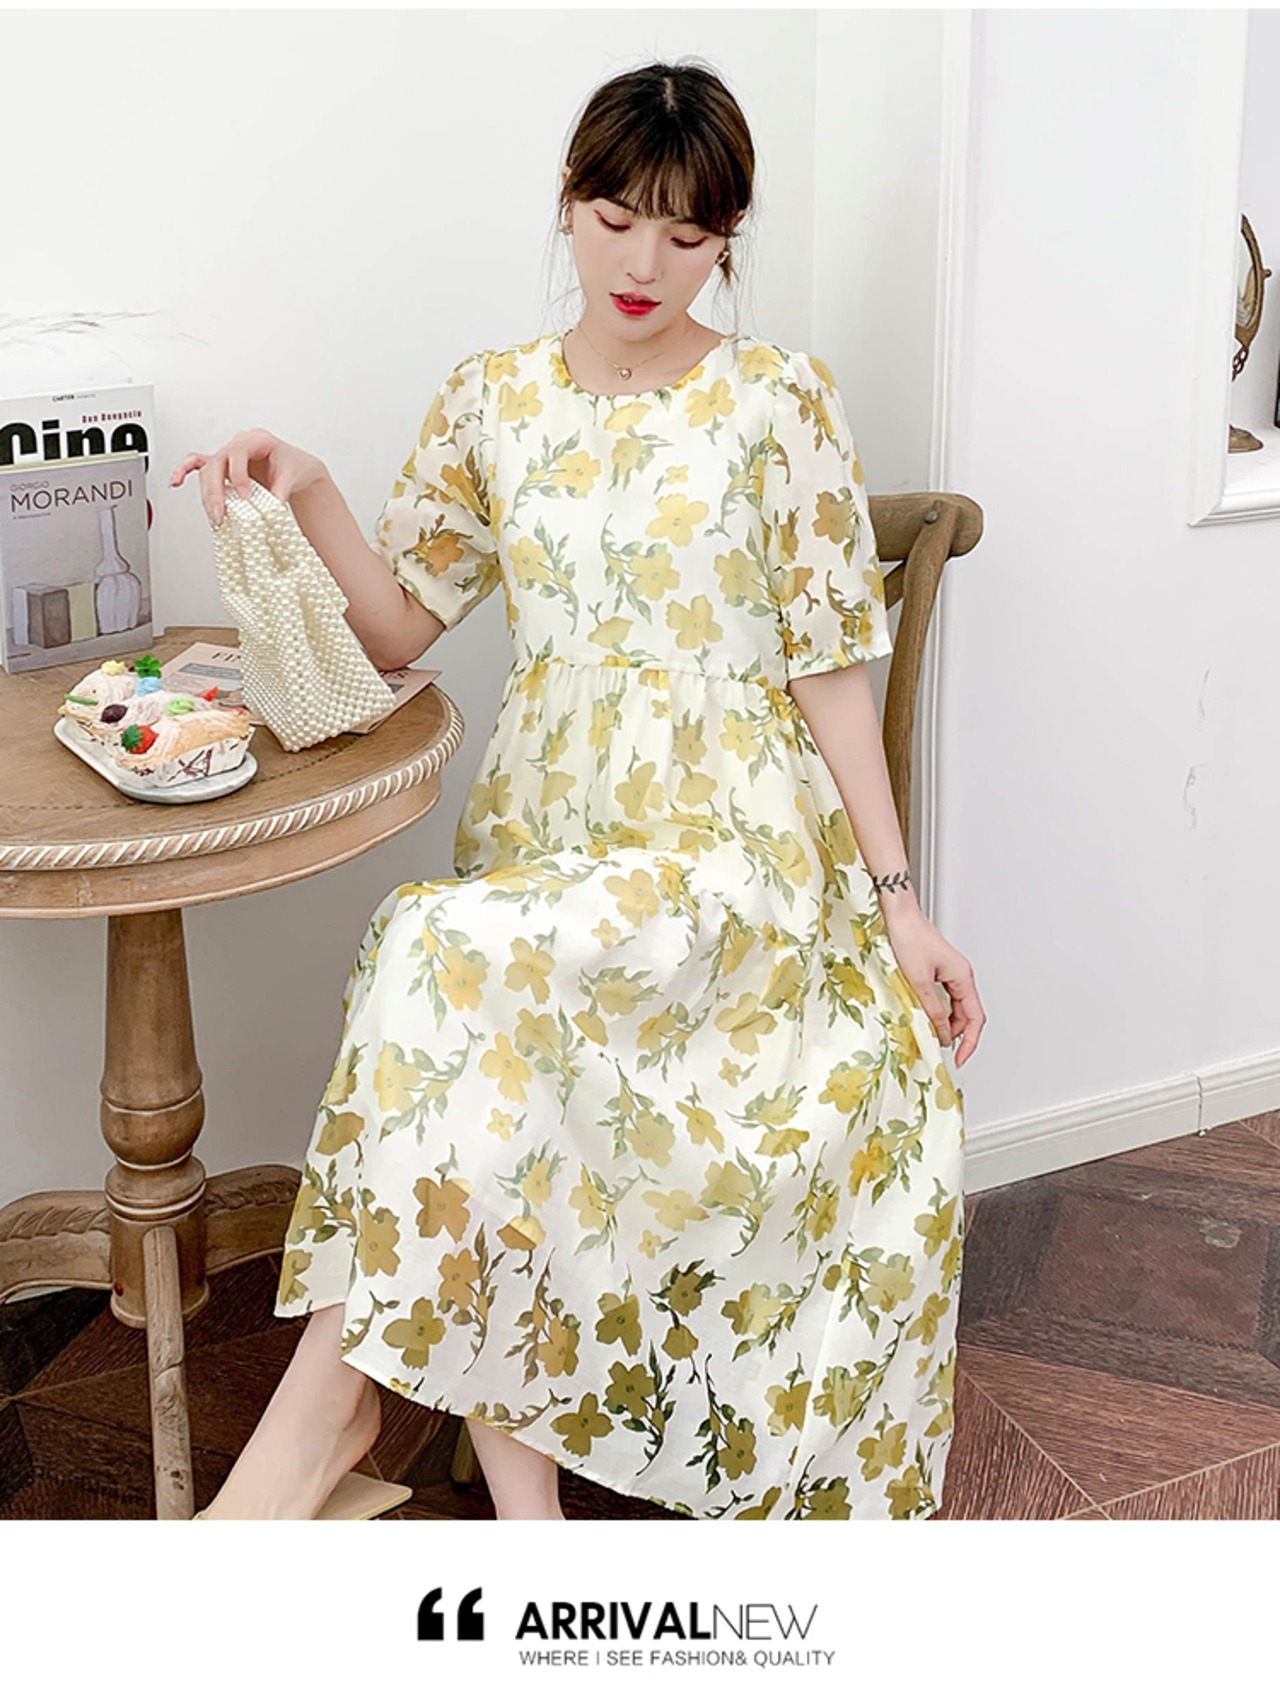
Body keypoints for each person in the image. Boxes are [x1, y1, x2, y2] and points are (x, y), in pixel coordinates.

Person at [171, 58, 985, 1523]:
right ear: (569, 203)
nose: (644, 265)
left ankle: (321, 1434)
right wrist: (309, 485)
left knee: (439, 953)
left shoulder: (778, 400)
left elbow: (827, 671)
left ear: (728, 237)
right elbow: (399, 628)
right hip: (550, 846)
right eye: (616, 221)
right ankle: (517, 1521)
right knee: (481, 1009)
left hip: (734, 855)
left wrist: (900, 904)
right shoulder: (493, 400)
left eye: (688, 234)